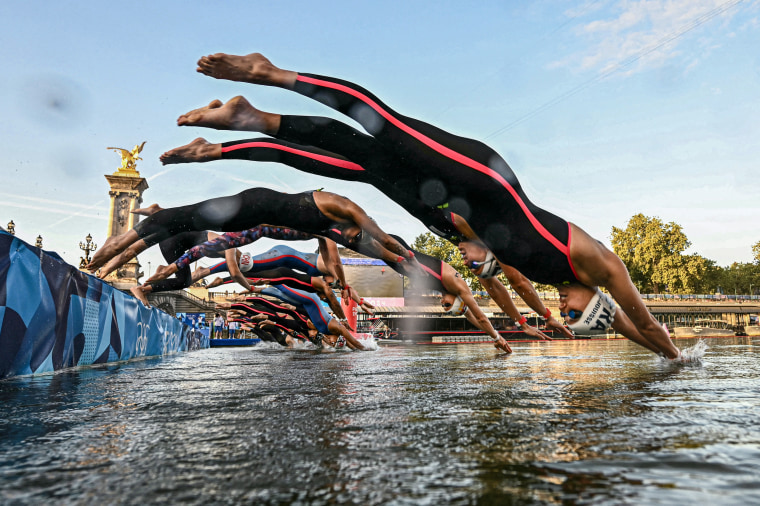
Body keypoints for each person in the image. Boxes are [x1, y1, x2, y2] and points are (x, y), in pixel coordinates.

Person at [163, 51, 682, 360]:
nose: (561, 313)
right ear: (590, 299)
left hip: (446, 210)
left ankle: (246, 124)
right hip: (482, 178)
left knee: (354, 158)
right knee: (382, 125)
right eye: (571, 313)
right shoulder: (596, 263)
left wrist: (664, 360)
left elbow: (619, 325)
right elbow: (643, 319)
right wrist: (679, 354)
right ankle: (269, 73)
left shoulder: (559, 283)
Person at [87, 187, 419, 281]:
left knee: (175, 225)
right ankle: (96, 265)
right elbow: (387, 243)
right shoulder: (344, 211)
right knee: (132, 241)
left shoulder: (333, 232)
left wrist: (402, 264)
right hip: (250, 207)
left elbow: (382, 252)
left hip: (245, 217)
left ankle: (100, 268)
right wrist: (407, 259)